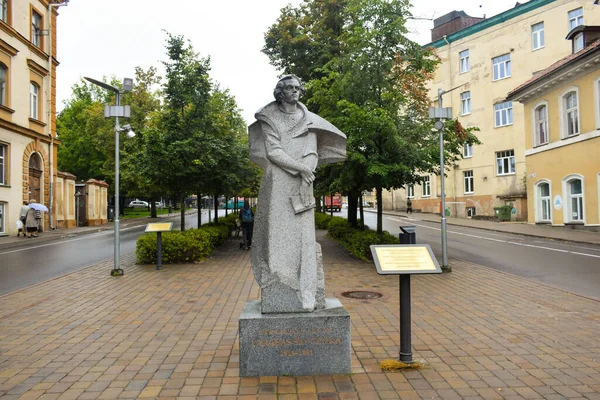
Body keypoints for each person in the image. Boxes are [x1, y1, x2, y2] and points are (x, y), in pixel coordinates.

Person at [248, 75, 346, 312]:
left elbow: (312, 151)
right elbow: (273, 151)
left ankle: (306, 290)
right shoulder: (268, 117)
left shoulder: (309, 121)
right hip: (279, 183)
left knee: (303, 237)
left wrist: (308, 169)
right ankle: (278, 282)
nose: (294, 91)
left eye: (297, 88)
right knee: (276, 232)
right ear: (280, 92)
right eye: (289, 88)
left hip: (303, 184)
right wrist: (300, 168)